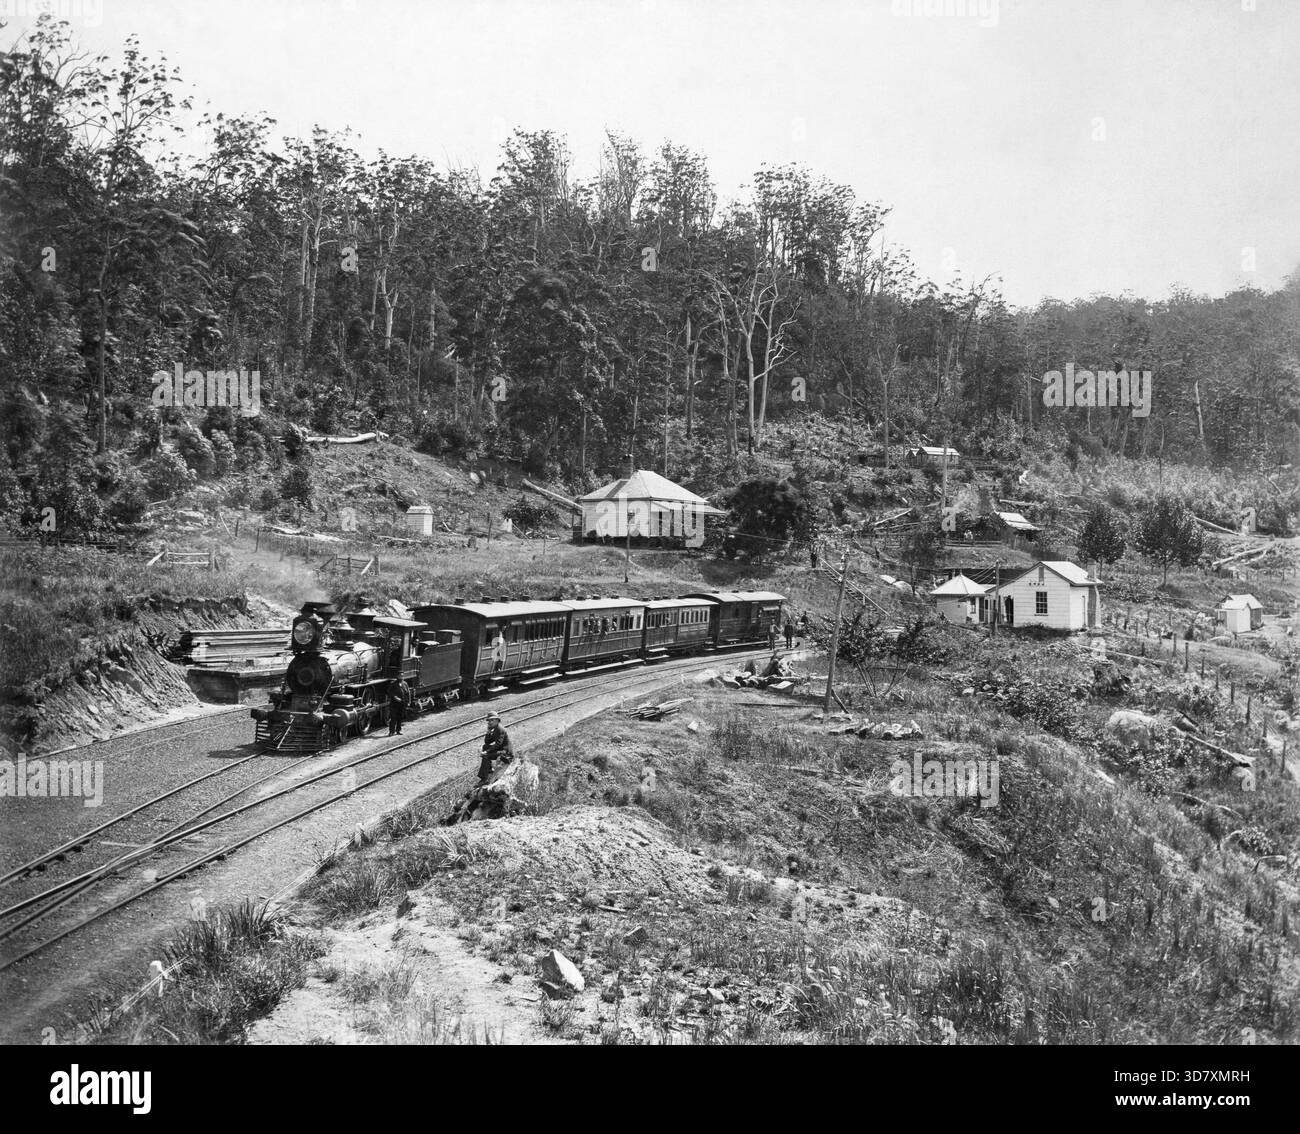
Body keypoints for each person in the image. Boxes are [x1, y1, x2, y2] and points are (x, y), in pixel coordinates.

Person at [479, 711, 513, 782]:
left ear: (497, 720)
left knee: (486, 756)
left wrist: (486, 752)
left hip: (505, 753)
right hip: (500, 749)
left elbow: (498, 744)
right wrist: (488, 733)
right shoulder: (495, 729)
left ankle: (484, 778)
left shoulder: (500, 729)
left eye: (492, 720)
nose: (490, 722)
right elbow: (487, 742)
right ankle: (489, 770)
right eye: (488, 720)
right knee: (485, 746)